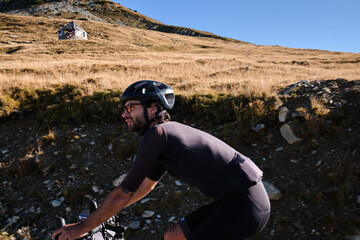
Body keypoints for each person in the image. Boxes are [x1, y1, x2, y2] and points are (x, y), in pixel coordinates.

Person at [52, 80, 270, 240]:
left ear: (153, 108)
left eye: (131, 107)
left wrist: (81, 228)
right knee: (173, 237)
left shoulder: (158, 135)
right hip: (233, 202)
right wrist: (101, 218)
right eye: (124, 109)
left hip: (245, 204)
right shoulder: (165, 138)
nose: (124, 114)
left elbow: (122, 193)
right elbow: (144, 188)